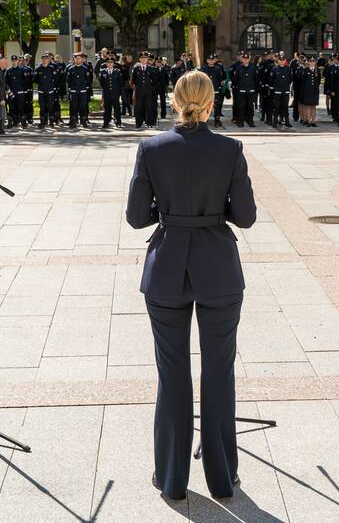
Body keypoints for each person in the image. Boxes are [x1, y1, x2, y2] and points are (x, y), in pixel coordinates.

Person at [125, 69, 256, 502]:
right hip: (217, 265)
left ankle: (172, 478)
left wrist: (171, 209)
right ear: (212, 100)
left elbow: (136, 217)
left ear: (175, 100)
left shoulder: (151, 148)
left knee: (173, 373)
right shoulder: (230, 149)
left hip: (167, 268)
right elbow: (247, 216)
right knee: (219, 372)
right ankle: (223, 479)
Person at [294, 56, 321, 126]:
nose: (312, 62)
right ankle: (309, 121)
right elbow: (303, 80)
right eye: (311, 61)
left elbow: (319, 81)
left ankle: (313, 121)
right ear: (308, 62)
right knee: (308, 106)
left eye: (313, 61)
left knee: (314, 106)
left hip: (314, 90)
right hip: (307, 90)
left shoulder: (317, 70)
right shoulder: (306, 70)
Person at [98, 56, 123, 128]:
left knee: (117, 108)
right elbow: (102, 82)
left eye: (111, 62)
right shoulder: (102, 72)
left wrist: (118, 92)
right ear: (106, 63)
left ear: (113, 63)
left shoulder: (117, 71)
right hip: (107, 93)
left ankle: (118, 122)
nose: (110, 64)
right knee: (107, 108)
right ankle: (106, 122)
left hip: (115, 93)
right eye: (108, 62)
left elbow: (120, 83)